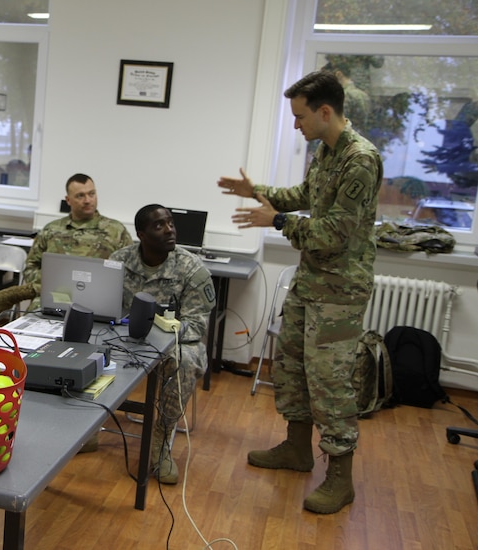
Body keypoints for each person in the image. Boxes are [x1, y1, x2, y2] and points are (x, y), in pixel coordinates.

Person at [217, 70, 383, 514]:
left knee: (331, 383)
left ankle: (340, 478)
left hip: (339, 292)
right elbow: (302, 195)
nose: (296, 125)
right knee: (291, 368)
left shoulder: (360, 160)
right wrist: (258, 192)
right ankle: (296, 449)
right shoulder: (327, 153)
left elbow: (332, 233)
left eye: (300, 116)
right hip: (311, 283)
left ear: (325, 111)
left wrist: (274, 221)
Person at [110, 205, 216, 484]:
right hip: (123, 336)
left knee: (186, 359)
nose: (169, 229)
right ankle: (88, 428)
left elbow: (197, 325)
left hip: (172, 341)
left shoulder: (192, 268)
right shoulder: (118, 261)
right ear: (141, 235)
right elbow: (103, 306)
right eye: (159, 225)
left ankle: (161, 440)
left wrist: (157, 333)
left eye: (170, 223)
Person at [0, 173, 133, 317]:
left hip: (97, 299)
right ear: (68, 200)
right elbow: (31, 266)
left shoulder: (116, 230)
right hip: (55, 296)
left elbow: (129, 271)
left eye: (92, 194)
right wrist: (52, 283)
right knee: (34, 316)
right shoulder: (51, 230)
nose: (88, 200)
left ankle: (17, 293)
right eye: (80, 196)